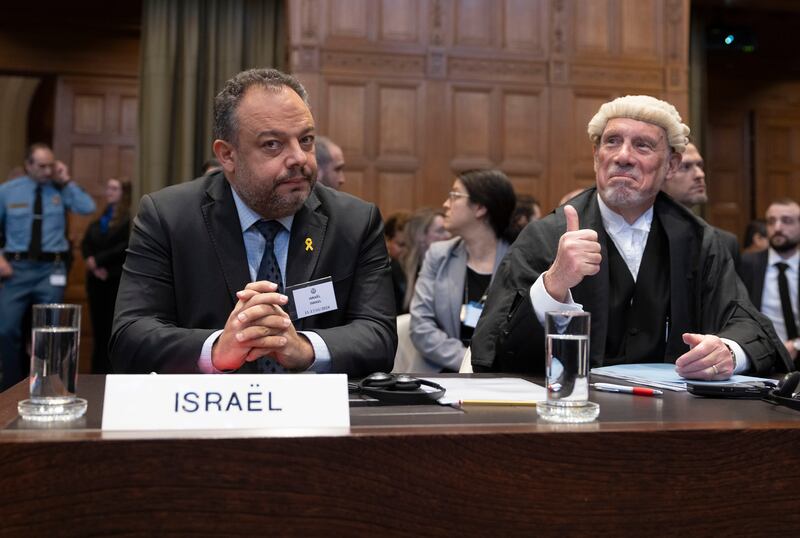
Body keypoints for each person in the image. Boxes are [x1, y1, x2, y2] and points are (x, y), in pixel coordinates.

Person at [471, 95, 792, 378]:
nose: (623, 156)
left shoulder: (698, 241)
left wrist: (727, 352)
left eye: (642, 145)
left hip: (674, 416)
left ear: (671, 165)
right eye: (612, 142)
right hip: (574, 410)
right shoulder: (546, 235)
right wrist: (554, 284)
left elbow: (749, 326)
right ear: (596, 155)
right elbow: (493, 350)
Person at [110, 68, 396, 376]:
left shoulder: (354, 221)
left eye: (306, 140)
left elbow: (379, 337)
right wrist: (217, 350)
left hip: (318, 404)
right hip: (210, 403)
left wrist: (304, 348)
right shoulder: (168, 217)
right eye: (272, 144)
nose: (299, 158)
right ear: (227, 155)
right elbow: (129, 336)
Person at [0, 144, 96, 390]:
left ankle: (46, 386)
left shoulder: (60, 189)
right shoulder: (8, 192)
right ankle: (11, 387)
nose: (46, 171)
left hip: (50, 270)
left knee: (50, 331)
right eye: (41, 166)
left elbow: (87, 207)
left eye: (50, 165)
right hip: (17, 270)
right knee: (6, 329)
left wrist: (66, 180)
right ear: (28, 165)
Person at [410, 170, 515, 371]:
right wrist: (469, 363)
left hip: (497, 378)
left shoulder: (517, 261)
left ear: (480, 208)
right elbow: (421, 327)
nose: (445, 204)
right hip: (440, 374)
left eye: (455, 196)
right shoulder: (439, 255)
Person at [661, 141, 740, 271]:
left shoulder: (724, 243)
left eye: (700, 165)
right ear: (660, 175)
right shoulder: (642, 237)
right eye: (685, 167)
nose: (700, 174)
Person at [739, 199, 800, 368]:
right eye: (771, 221)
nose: (778, 228)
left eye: (787, 221)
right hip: (763, 359)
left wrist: (796, 345)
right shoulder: (748, 264)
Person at [81, 178, 132, 374]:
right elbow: (86, 243)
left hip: (115, 281)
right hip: (96, 282)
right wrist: (92, 264)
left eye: (114, 188)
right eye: (108, 187)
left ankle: (111, 373)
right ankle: (97, 373)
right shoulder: (101, 218)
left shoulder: (128, 220)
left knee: (112, 331)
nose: (108, 191)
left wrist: (99, 261)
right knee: (98, 332)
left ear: (124, 193)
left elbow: (124, 246)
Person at [400, 207, 450, 312]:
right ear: (420, 236)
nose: (448, 236)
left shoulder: (452, 267)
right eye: (440, 231)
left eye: (448, 230)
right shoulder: (397, 272)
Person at [384, 210, 411, 313]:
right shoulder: (381, 270)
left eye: (411, 245)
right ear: (387, 241)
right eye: (401, 245)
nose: (407, 251)